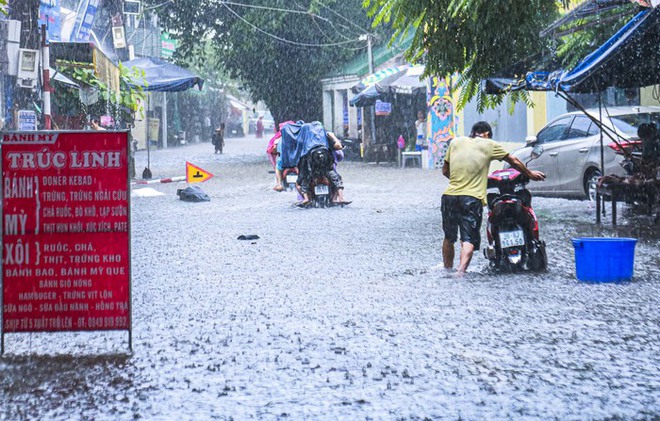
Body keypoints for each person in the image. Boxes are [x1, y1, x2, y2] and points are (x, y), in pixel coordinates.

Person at [441, 121, 545, 274]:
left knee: (449, 237)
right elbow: (513, 161)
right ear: (487, 134)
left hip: (449, 196)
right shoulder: (489, 144)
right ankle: (460, 272)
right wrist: (530, 174)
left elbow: (445, 171)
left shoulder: (455, 142)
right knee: (468, 240)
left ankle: (447, 270)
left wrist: (460, 181)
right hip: (471, 198)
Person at [297, 131, 349, 206]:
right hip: (325, 169)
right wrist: (333, 136)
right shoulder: (326, 140)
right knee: (336, 178)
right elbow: (339, 147)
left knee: (304, 179)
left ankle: (306, 198)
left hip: (314, 169)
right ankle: (340, 197)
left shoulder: (305, 140)